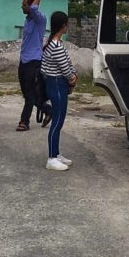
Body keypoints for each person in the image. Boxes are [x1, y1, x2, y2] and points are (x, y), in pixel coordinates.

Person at [40, 11, 76, 170]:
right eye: (67, 23)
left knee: (58, 120)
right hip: (57, 84)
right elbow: (65, 68)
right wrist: (72, 78)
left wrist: (72, 74)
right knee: (57, 121)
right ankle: (51, 158)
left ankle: (56, 152)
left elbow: (67, 63)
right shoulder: (56, 46)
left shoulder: (54, 43)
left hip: (55, 83)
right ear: (63, 25)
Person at [16, 0, 47, 131]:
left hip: (34, 61)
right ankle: (48, 110)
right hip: (24, 60)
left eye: (24, 4)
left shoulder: (40, 19)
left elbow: (34, 9)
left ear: (31, 5)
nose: (21, 7)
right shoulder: (28, 20)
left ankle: (24, 121)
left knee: (29, 93)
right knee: (27, 93)